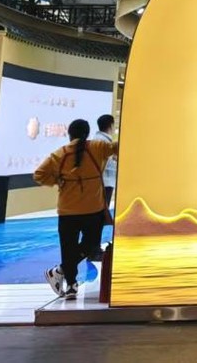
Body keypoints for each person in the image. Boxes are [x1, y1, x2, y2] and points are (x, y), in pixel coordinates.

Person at [34, 119, 117, 299]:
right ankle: (61, 274)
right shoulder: (97, 147)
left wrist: (58, 181)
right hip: (93, 209)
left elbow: (39, 174)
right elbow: (116, 147)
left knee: (68, 247)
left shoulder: (60, 154)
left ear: (69, 134)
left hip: (67, 211)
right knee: (90, 245)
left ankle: (70, 283)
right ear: (87, 133)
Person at [92, 115, 117, 218]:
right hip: (105, 180)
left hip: (103, 180)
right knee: (101, 212)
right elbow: (106, 161)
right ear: (111, 125)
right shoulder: (104, 141)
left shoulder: (98, 139)